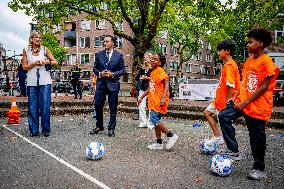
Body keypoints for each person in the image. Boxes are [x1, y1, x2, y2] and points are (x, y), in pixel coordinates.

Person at [218, 28, 280, 180]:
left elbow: (264, 87)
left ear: (260, 44)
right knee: (223, 115)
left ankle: (259, 168)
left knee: (256, 137)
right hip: (241, 102)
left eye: (250, 42)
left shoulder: (267, 62)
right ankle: (234, 150)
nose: (247, 45)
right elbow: (245, 82)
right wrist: (236, 97)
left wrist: (245, 102)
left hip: (258, 106)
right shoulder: (249, 60)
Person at [137, 53, 178, 150]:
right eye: (153, 59)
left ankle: (171, 135)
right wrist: (142, 96)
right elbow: (150, 88)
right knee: (156, 122)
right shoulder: (153, 72)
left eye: (155, 59)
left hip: (159, 101)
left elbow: (167, 83)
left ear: (160, 62)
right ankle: (159, 143)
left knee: (154, 120)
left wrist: (163, 98)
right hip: (153, 100)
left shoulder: (160, 71)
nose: (153, 61)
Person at [203, 40, 241, 145]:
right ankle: (217, 136)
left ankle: (231, 148)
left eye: (220, 50)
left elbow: (231, 85)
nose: (218, 53)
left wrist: (227, 103)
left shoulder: (229, 65)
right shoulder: (229, 65)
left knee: (225, 125)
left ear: (227, 51)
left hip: (224, 102)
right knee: (207, 112)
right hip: (219, 100)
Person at [22, 30, 58, 137]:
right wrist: (33, 63)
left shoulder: (45, 50)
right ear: (31, 39)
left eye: (39, 37)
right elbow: (24, 66)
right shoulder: (26, 50)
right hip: (32, 81)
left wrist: (47, 62)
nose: (38, 39)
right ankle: (34, 130)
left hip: (45, 81)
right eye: (36, 37)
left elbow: (55, 62)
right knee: (32, 107)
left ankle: (46, 129)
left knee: (45, 106)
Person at [90, 35, 125, 137]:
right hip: (101, 84)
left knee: (113, 107)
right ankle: (99, 126)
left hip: (113, 84)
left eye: (107, 41)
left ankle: (111, 128)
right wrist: (100, 73)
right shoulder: (99, 54)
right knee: (98, 106)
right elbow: (94, 68)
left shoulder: (119, 56)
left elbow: (123, 70)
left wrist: (112, 74)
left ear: (113, 43)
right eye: (104, 41)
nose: (104, 43)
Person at [135, 52, 153, 128]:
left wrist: (147, 78)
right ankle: (143, 122)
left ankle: (150, 123)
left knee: (151, 106)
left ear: (150, 58)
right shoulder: (142, 69)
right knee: (141, 105)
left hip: (151, 88)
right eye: (144, 57)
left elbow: (156, 78)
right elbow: (137, 78)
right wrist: (140, 77)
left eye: (146, 57)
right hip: (142, 88)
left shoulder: (153, 69)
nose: (145, 58)